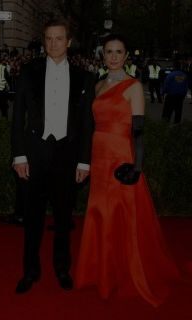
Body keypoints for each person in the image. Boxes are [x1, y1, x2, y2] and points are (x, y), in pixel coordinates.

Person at [74, 34, 181, 307]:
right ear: (103, 55)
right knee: (99, 211)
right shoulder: (97, 86)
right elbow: (88, 127)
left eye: (118, 51)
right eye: (108, 51)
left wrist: (138, 166)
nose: (113, 56)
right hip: (99, 155)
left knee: (121, 212)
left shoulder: (134, 86)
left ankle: (124, 272)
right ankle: (102, 272)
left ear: (125, 56)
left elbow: (139, 132)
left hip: (121, 156)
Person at [11, 19, 94, 294]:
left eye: (59, 38)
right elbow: (17, 118)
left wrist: (84, 160)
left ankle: (62, 268)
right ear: (44, 41)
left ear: (68, 42)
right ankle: (30, 270)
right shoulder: (28, 71)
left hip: (68, 157)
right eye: (49, 38)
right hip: (34, 155)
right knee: (32, 219)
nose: (54, 43)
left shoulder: (84, 77)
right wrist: (19, 155)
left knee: (62, 219)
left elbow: (86, 124)